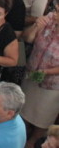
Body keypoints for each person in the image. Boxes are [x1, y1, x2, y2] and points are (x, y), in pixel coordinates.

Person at [21, 11, 59, 146]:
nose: (55, 13)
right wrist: (35, 27)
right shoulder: (49, 18)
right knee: (24, 109)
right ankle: (22, 133)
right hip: (31, 74)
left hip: (52, 84)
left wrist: (46, 72)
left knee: (43, 118)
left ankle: (33, 141)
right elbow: (27, 38)